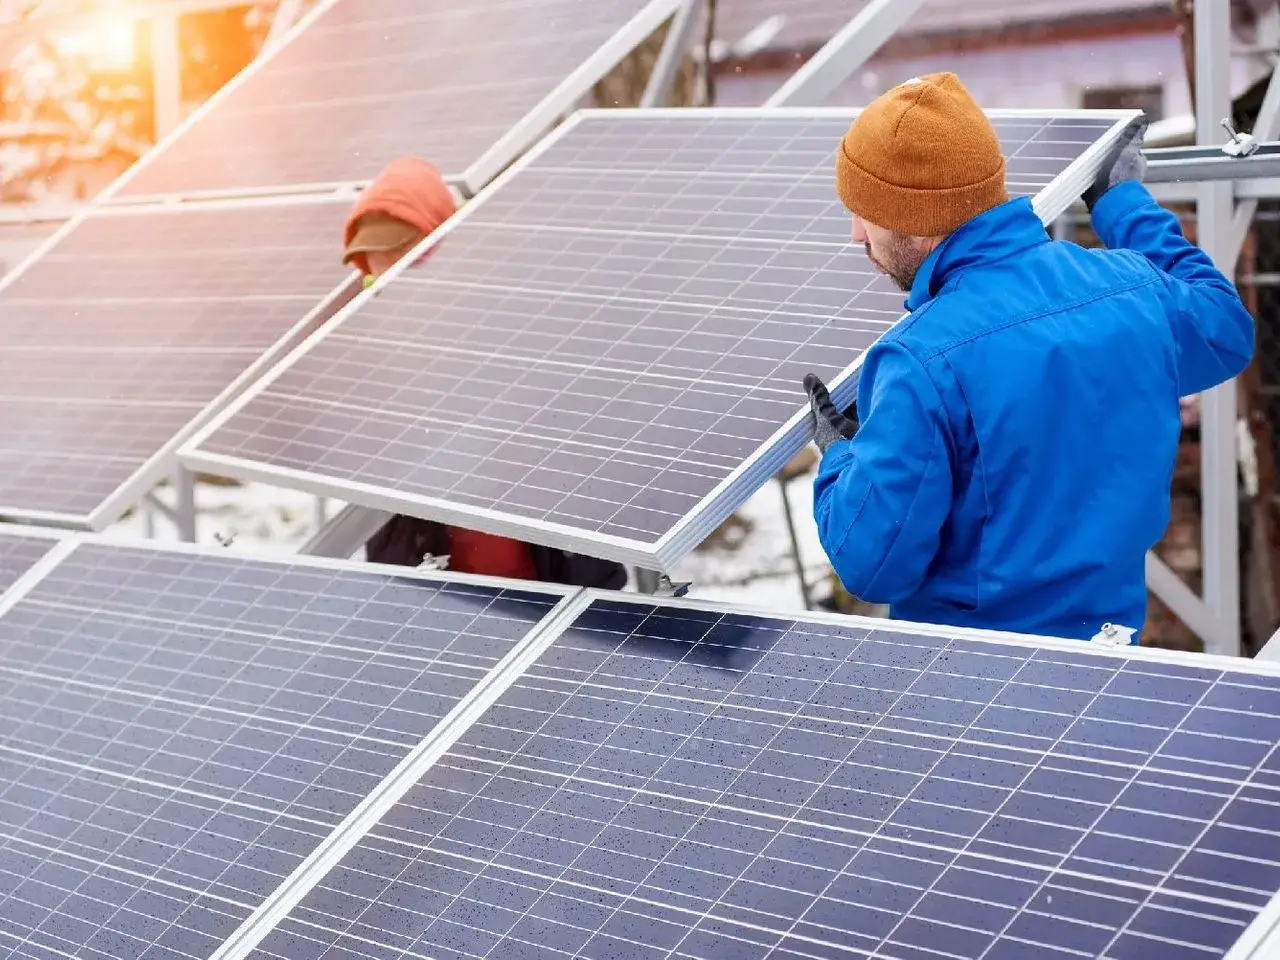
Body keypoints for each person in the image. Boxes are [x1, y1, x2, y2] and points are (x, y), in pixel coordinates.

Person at [802, 73, 1254, 643]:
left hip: (971, 688)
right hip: (1110, 661)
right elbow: (1224, 326)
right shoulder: (1131, 288)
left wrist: (842, 462)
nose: (855, 234)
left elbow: (873, 562)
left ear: (913, 217)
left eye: (865, 211)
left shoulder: (921, 362)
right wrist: (1122, 203)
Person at [343, 156, 628, 590]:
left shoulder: (519, 322)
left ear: (443, 246)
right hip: (432, 593)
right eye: (379, 270)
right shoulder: (364, 352)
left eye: (404, 257)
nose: (392, 279)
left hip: (549, 582)